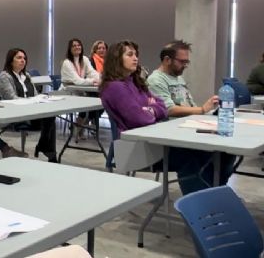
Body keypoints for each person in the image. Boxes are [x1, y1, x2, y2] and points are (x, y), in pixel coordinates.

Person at [101, 40, 231, 195]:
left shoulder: (134, 82)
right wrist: (151, 109)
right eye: (130, 55)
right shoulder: (115, 87)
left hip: (152, 139)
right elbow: (140, 118)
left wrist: (149, 108)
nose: (135, 58)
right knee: (192, 156)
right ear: (116, 58)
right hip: (138, 147)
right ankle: (200, 205)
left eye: (136, 54)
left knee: (221, 153)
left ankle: (212, 195)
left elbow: (160, 106)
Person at [0, 48, 57, 162]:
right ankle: (47, 151)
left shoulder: (27, 76)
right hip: (15, 116)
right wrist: (32, 101)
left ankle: (46, 148)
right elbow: (12, 99)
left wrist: (40, 99)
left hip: (31, 113)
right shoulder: (4, 76)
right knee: (49, 120)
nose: (23, 60)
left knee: (51, 115)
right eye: (19, 58)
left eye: (24, 58)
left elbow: (35, 95)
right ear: (10, 60)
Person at [147, 40, 219, 117]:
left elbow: (191, 106)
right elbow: (168, 109)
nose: (185, 65)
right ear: (167, 60)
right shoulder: (155, 80)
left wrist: (209, 110)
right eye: (182, 62)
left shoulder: (179, 78)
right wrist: (202, 109)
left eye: (186, 62)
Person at [60, 38, 101, 139]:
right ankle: (80, 125)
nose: (77, 47)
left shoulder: (85, 59)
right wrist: (93, 81)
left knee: (101, 100)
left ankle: (79, 125)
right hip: (68, 92)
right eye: (74, 45)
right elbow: (77, 81)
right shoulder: (67, 62)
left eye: (79, 45)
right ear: (70, 49)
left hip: (80, 90)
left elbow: (92, 73)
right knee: (91, 100)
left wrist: (101, 79)